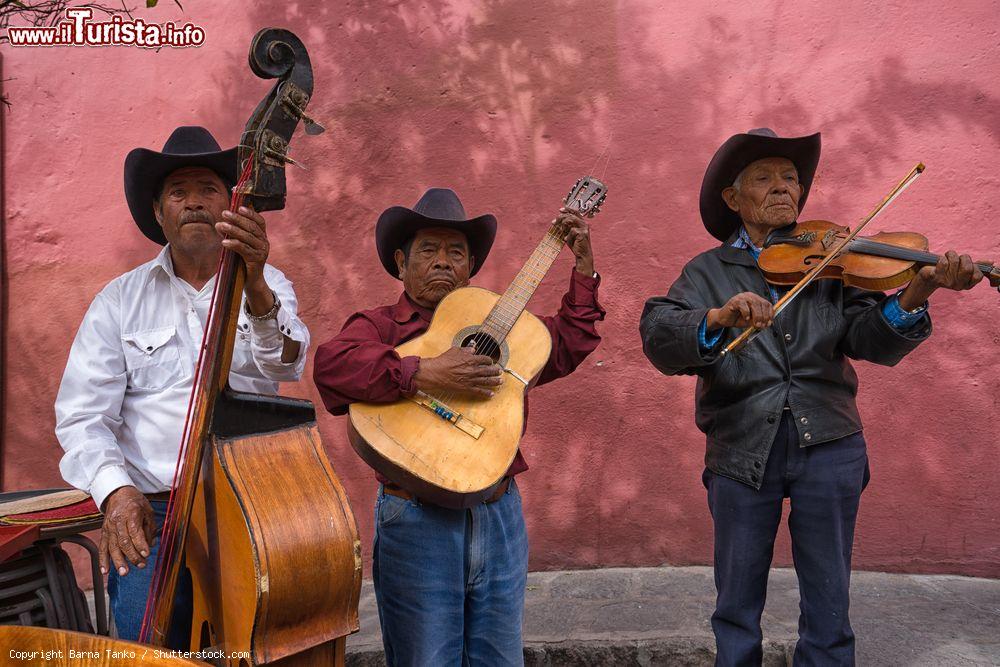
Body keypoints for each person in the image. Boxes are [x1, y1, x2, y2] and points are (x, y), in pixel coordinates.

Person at [639, 128, 982, 666]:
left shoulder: (831, 260)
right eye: (764, 177)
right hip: (740, 449)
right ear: (733, 199)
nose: (784, 188)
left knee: (829, 604)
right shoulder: (705, 272)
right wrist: (717, 318)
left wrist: (919, 289)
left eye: (791, 178)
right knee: (735, 603)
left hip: (829, 443)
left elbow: (870, 339)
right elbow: (660, 336)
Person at [313, 187, 605, 665]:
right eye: (428, 250)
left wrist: (584, 268)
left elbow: (570, 341)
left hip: (500, 514)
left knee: (500, 659)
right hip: (416, 519)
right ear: (401, 263)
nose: (443, 262)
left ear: (470, 269)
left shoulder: (510, 330)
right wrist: (422, 372)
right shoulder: (379, 325)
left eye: (456, 252)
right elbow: (332, 367)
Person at [55, 126, 310, 645]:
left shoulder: (269, 282)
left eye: (209, 190)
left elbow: (286, 363)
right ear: (158, 213)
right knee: (146, 645)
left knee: (264, 640)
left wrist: (255, 281)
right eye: (179, 192)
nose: (194, 202)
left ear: (233, 205)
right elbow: (83, 417)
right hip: (152, 508)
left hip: (253, 502)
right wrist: (116, 491)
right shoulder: (118, 300)